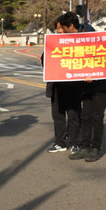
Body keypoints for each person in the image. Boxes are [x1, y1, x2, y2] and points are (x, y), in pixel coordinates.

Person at [45, 13, 83, 154]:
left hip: (73, 85)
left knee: (74, 115)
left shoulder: (79, 41)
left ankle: (74, 143)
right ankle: (60, 142)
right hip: (56, 84)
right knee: (58, 115)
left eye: (61, 28)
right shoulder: (52, 43)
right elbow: (46, 60)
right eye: (57, 29)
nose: (59, 31)